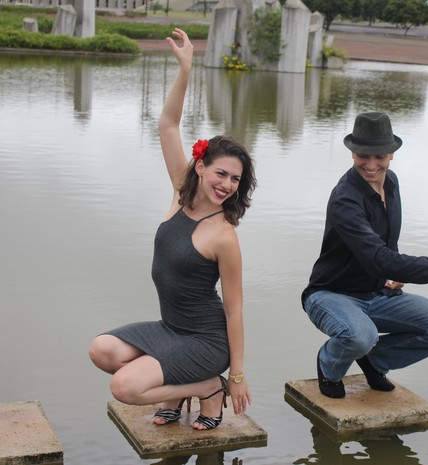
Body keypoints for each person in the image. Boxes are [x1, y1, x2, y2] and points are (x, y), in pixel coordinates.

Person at [88, 29, 256, 429]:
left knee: (125, 388)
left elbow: (234, 310)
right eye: (221, 173)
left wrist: (236, 374)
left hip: (205, 341)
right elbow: (167, 124)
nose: (227, 185)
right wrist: (186, 69)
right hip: (170, 328)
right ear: (200, 167)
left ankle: (206, 388)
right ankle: (188, 388)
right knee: (102, 351)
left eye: (235, 179)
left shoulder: (224, 235)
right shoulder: (181, 194)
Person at [301, 111, 428, 399]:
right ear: (352, 152)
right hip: (330, 296)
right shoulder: (345, 199)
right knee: (362, 336)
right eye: (363, 155)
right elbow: (378, 258)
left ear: (392, 154)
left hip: (377, 294)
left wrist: (392, 273)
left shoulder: (391, 183)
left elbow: (384, 247)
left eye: (379, 156)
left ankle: (375, 362)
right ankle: (330, 366)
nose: (371, 164)